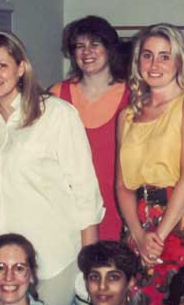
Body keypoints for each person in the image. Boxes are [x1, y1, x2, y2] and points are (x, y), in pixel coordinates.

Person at [0, 32, 104, 305]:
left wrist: (88, 265)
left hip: (50, 260)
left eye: (1, 65)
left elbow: (86, 193)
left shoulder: (55, 114)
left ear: (21, 67)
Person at [115, 23, 184, 305]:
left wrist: (159, 234)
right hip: (137, 223)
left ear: (179, 61)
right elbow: (121, 184)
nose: (154, 65)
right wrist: (139, 234)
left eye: (164, 56)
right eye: (147, 55)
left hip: (179, 218)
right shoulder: (127, 115)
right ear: (137, 61)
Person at [52, 15, 130, 242]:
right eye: (80, 46)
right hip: (70, 206)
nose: (87, 52)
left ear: (109, 48)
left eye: (95, 44)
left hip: (118, 204)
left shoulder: (133, 95)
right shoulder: (57, 94)